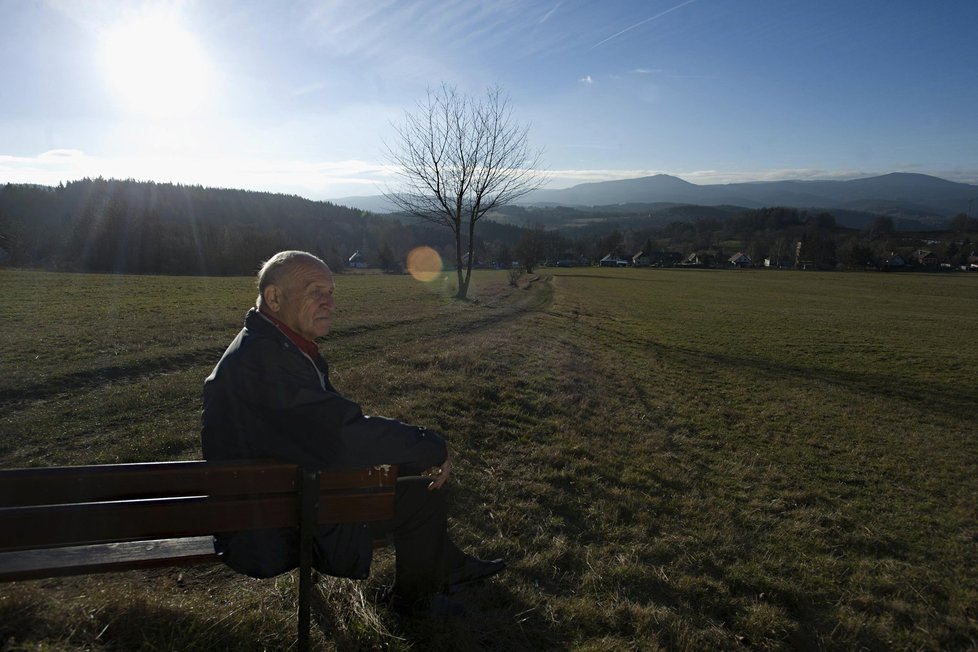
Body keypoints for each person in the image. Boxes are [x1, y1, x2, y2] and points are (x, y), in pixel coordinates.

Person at [201, 250, 503, 614]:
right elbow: (342, 436)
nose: (329, 303)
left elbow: (327, 427)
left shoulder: (270, 347)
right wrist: (431, 445)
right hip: (272, 531)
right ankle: (415, 603)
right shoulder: (264, 361)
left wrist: (408, 448)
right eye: (316, 292)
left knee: (405, 471)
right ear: (275, 298)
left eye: (331, 292)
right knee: (421, 493)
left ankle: (447, 566)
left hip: (282, 503)